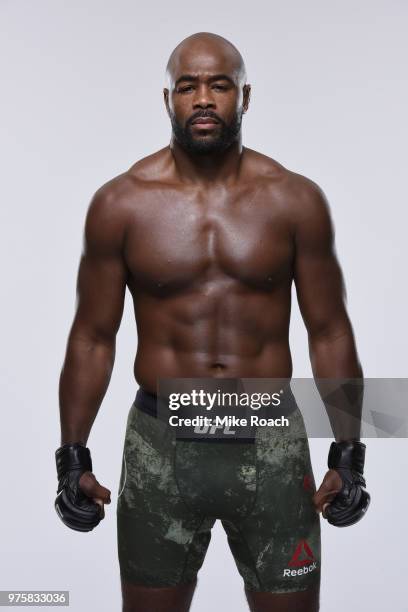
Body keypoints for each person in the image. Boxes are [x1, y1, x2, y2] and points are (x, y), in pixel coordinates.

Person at [54, 32, 370, 612]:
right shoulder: (120, 203)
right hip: (159, 444)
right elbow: (93, 338)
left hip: (272, 438)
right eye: (187, 86)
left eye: (219, 85)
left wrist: (349, 454)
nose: (203, 98)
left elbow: (330, 331)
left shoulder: (295, 200)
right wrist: (71, 454)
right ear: (168, 99)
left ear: (244, 97)